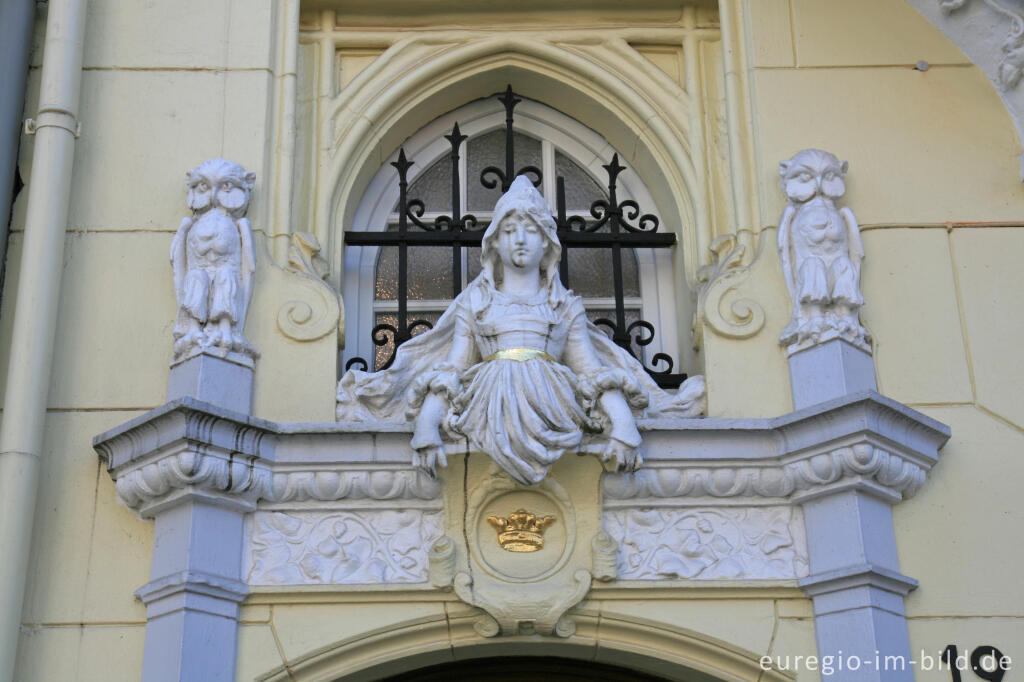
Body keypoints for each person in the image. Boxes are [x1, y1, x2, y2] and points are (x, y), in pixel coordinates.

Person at [337, 176, 705, 485]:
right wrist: (427, 429)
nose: (520, 240)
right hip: (487, 401)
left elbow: (592, 372)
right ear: (494, 241)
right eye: (510, 230)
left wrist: (624, 425)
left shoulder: (564, 307)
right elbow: (451, 372)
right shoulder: (476, 305)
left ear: (546, 241)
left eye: (530, 230)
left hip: (555, 403)